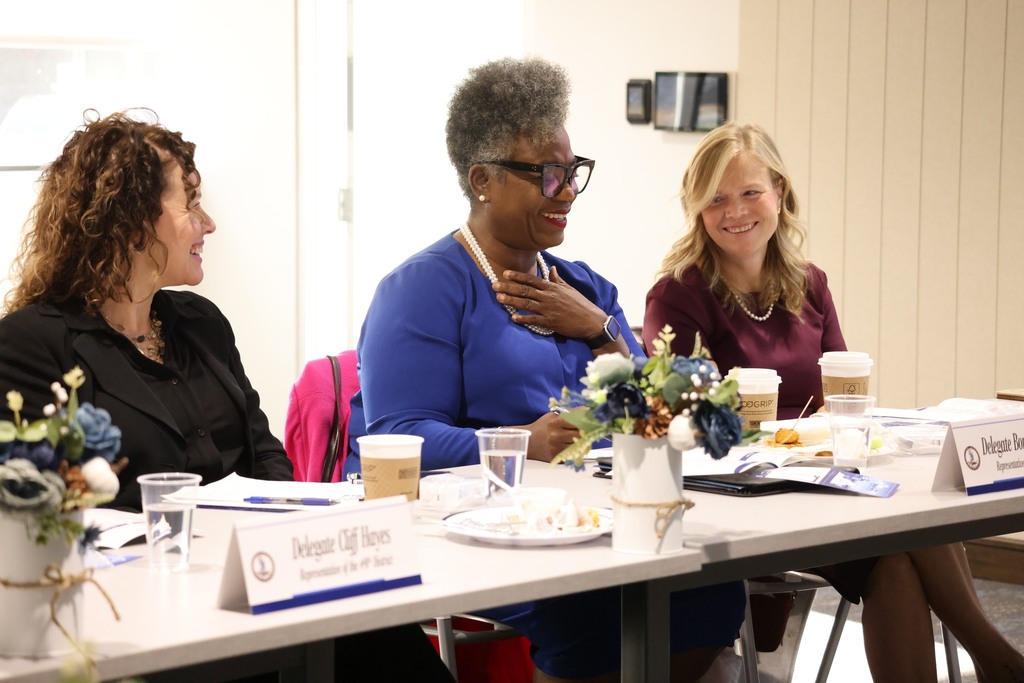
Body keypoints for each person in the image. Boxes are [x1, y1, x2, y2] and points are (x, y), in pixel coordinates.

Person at [0, 110, 453, 683]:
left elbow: (266, 458)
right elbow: (40, 518)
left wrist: (300, 537)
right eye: (189, 204)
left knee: (380, 628)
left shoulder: (200, 322)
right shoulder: (33, 343)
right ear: (133, 221)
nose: (207, 223)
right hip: (140, 617)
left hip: (255, 586)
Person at [348, 56, 745, 683]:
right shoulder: (422, 289)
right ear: (482, 179)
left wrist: (597, 329)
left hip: (590, 518)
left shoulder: (583, 287)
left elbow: (657, 415)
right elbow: (395, 436)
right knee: (590, 609)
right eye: (548, 174)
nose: (566, 192)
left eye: (573, 171)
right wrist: (518, 444)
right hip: (479, 531)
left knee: (712, 593)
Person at [644, 121, 1024, 682]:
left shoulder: (808, 282)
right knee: (898, 535)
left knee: (898, 551)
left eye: (751, 192)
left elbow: (844, 401)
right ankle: (999, 660)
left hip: (822, 481)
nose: (736, 211)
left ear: (779, 191)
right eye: (716, 199)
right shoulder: (679, 293)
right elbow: (678, 422)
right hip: (738, 491)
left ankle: (997, 661)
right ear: (697, 209)